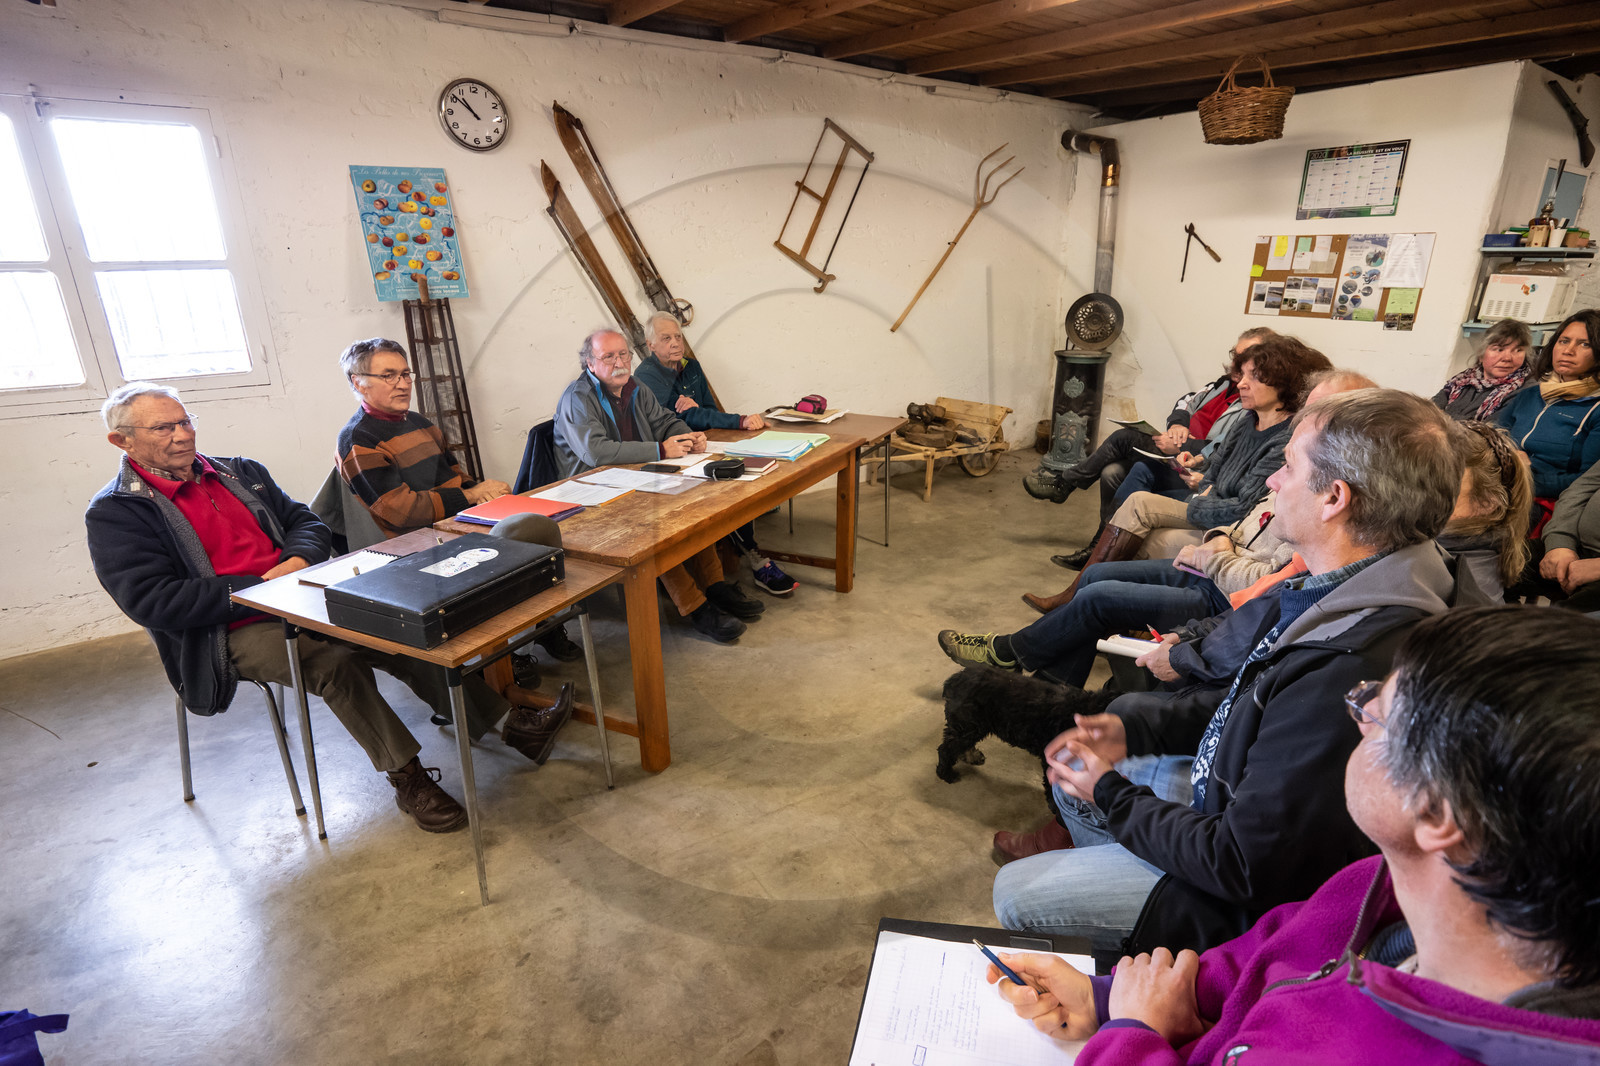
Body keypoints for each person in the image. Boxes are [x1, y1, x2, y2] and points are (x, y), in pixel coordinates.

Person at [991, 389, 1487, 958]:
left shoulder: (1354, 662)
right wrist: (1139, 729)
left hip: (1251, 894)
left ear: (1334, 498)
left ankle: (1157, 958)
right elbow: (1260, 704)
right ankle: (1127, 883)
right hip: (1238, 800)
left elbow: (1245, 867)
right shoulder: (1369, 583)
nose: (1273, 482)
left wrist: (1113, 794)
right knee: (1095, 768)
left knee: (1018, 893)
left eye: (1289, 466)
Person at [985, 607, 1600, 1063]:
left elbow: (1241, 868)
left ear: (1440, 815)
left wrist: (1133, 1038)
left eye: (1379, 716)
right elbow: (1267, 956)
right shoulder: (1374, 884)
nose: (1358, 720)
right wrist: (1111, 995)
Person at [85, 383, 572, 835]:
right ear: (121, 441)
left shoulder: (239, 472)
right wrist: (254, 588)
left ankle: (512, 725)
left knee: (399, 625)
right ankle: (408, 778)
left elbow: (308, 522)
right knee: (333, 663)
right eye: (163, 428)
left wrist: (295, 562)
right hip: (227, 626)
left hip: (299, 591)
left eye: (185, 421)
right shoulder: (118, 512)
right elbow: (150, 600)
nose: (183, 434)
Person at [936, 372, 1375, 687]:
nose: (1240, 379)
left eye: (1253, 373)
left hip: (1220, 591)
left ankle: (1013, 654)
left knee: (1099, 595)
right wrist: (1214, 526)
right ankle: (1047, 691)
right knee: (1099, 559)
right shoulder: (1285, 451)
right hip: (1214, 562)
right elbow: (1246, 513)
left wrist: (1216, 549)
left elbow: (1269, 581)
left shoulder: (1323, 497)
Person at [1023, 337, 1332, 615]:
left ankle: (1083, 594)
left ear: (1282, 384)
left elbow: (1243, 508)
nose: (1241, 383)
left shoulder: (1282, 439)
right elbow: (1215, 466)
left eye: (1254, 377)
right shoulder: (1247, 419)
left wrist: (1201, 498)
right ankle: (1090, 597)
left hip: (1224, 521)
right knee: (1124, 476)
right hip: (1210, 500)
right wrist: (1205, 483)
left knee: (1138, 497)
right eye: (1243, 373)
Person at [335, 337, 583, 669]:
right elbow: (399, 511)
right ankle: (502, 660)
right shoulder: (358, 439)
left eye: (406, 374)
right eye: (389, 375)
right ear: (358, 382)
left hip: (453, 525)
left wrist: (484, 493)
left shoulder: (421, 424)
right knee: (516, 545)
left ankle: (545, 626)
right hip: (413, 546)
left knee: (539, 527)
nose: (403, 383)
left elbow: (456, 478)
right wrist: (468, 496)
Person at [553, 329, 762, 642]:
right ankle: (695, 605)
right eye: (608, 356)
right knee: (653, 527)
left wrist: (687, 435)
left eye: (623, 354)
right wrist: (661, 450)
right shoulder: (578, 397)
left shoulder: (633, 386)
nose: (619, 362)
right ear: (589, 364)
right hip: (592, 491)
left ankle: (715, 587)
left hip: (634, 477)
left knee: (693, 504)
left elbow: (664, 420)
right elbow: (596, 452)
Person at [1024, 329, 1271, 547]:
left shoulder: (1253, 403)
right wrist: (1177, 424)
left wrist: (1185, 446)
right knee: (1111, 471)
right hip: (1181, 448)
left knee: (1123, 439)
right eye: (1235, 355)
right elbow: (1185, 401)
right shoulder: (1220, 385)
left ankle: (1068, 491)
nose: (1237, 363)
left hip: (1195, 461)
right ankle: (1099, 543)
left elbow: (1225, 448)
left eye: (1246, 357)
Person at [632, 312, 797, 597]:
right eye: (666, 338)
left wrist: (696, 408)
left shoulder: (692, 367)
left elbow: (708, 413)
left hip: (701, 444)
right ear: (651, 345)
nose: (675, 343)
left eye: (678, 336)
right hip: (668, 454)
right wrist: (739, 420)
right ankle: (754, 561)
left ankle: (747, 556)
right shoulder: (646, 375)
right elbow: (673, 420)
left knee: (738, 478)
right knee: (720, 488)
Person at [1495, 309, 1600, 500]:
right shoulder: (1530, 395)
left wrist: (1521, 479)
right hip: (1498, 486)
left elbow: (1586, 483)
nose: (1568, 351)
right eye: (1564, 341)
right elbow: (1492, 440)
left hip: (1543, 500)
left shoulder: (1595, 409)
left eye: (1585, 344)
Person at [1431, 317, 1532, 420]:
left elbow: (1489, 431)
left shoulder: (1526, 391)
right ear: (1481, 354)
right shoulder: (1462, 380)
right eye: (1499, 349)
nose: (1507, 358)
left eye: (1517, 350)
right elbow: (1427, 413)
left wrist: (1443, 418)